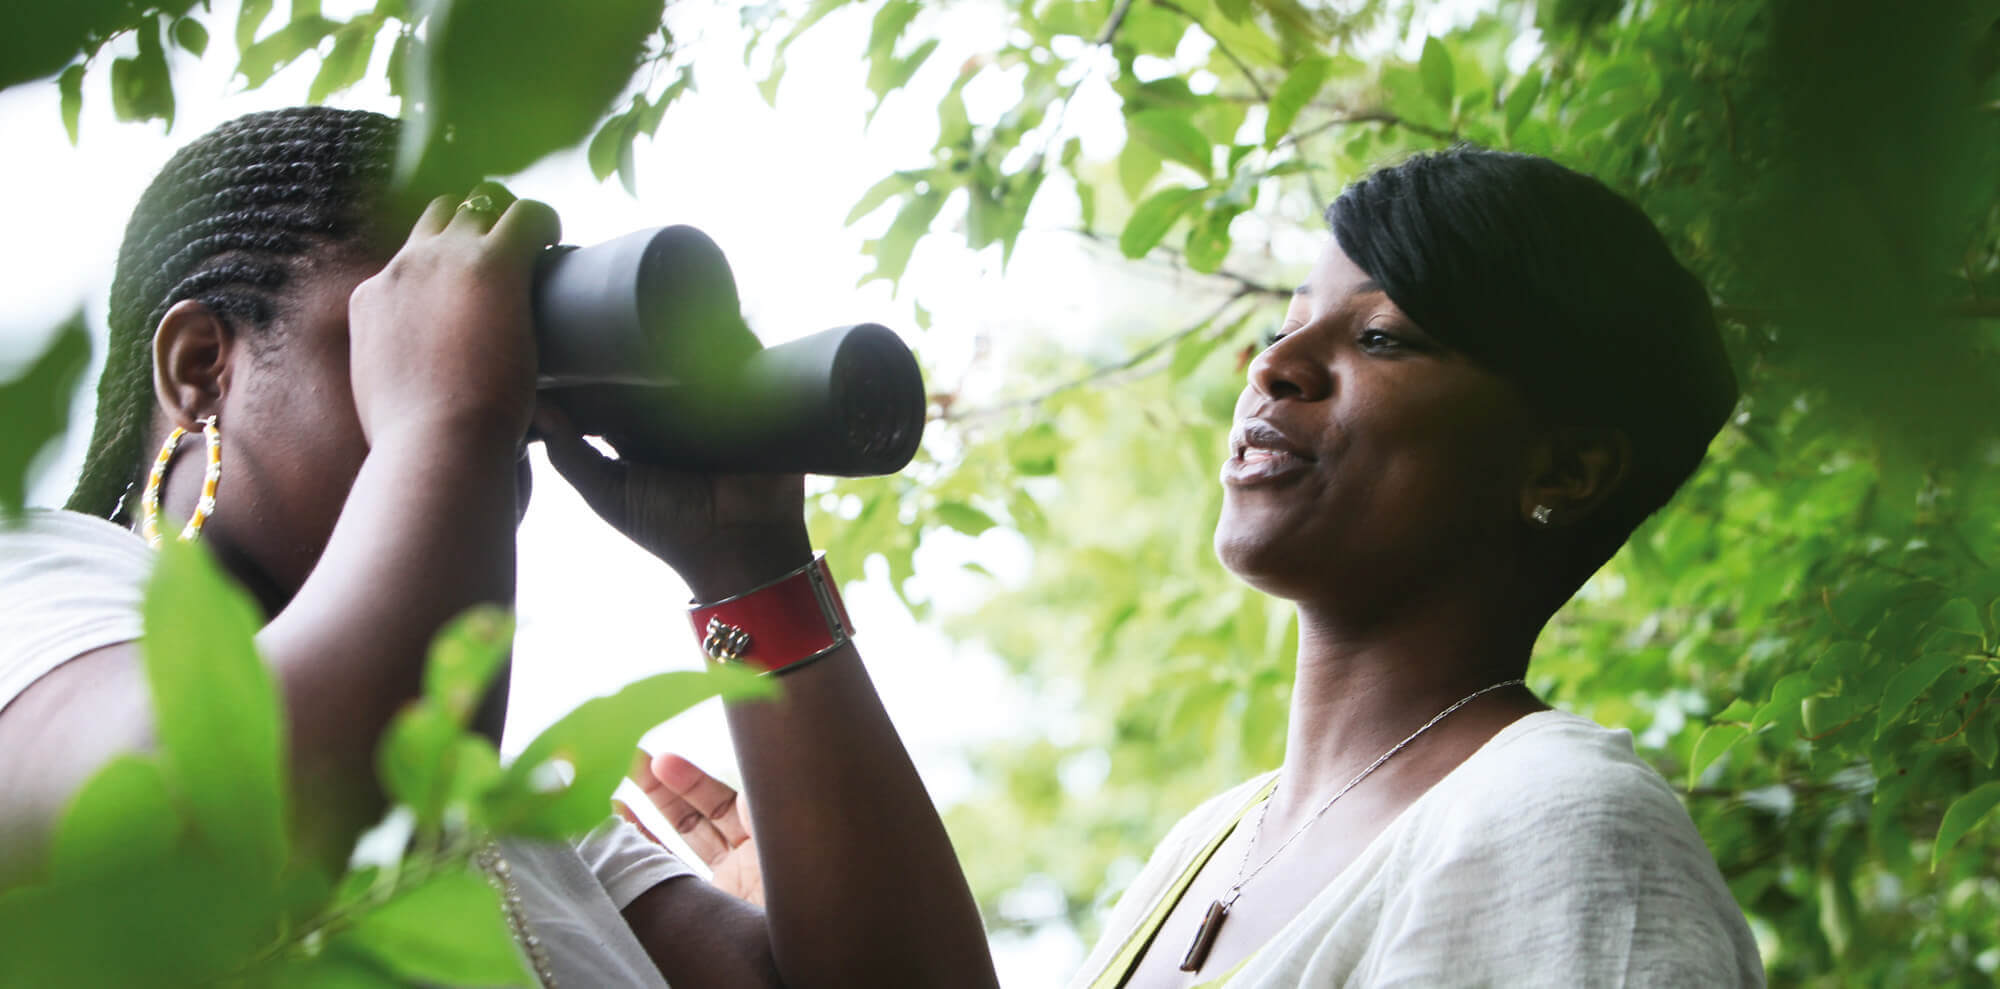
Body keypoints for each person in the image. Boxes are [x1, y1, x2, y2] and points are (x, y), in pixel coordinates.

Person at [665, 148, 1769, 987]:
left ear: (1563, 466)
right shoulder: (1206, 846)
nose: (1275, 364)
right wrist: (822, 909)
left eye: (1381, 336)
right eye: (1288, 324)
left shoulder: (1564, 824)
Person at [0, 105, 999, 988]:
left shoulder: (512, 812)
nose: (492, 400)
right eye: (405, 344)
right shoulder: (31, 581)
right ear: (201, 366)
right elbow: (232, 826)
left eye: (513, 378)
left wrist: (751, 567)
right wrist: (446, 414)